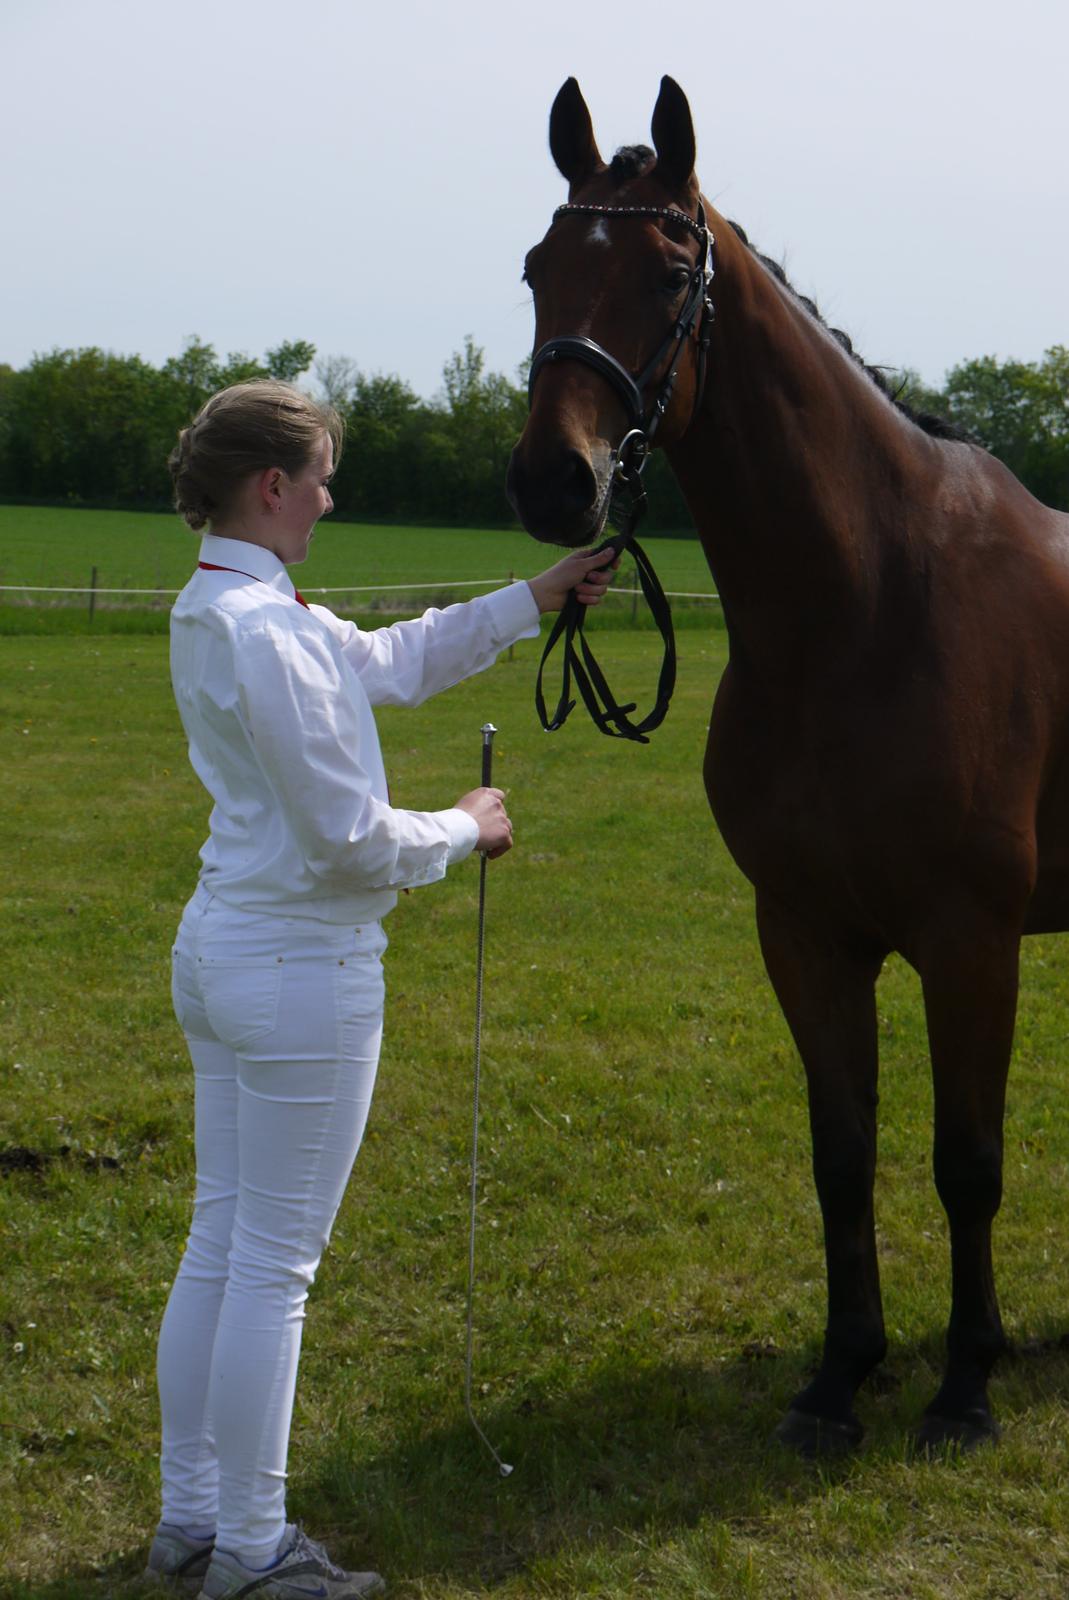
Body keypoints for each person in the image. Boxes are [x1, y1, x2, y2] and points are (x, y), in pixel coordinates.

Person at [144, 379, 611, 1599]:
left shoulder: (228, 603)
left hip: (230, 950)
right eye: (320, 480)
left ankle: (191, 1518)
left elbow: (387, 661)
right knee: (270, 1267)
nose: (330, 499)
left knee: (222, 1239)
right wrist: (463, 827)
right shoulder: (263, 629)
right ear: (272, 486)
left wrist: (533, 597)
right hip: (298, 965)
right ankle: (251, 1549)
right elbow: (350, 841)